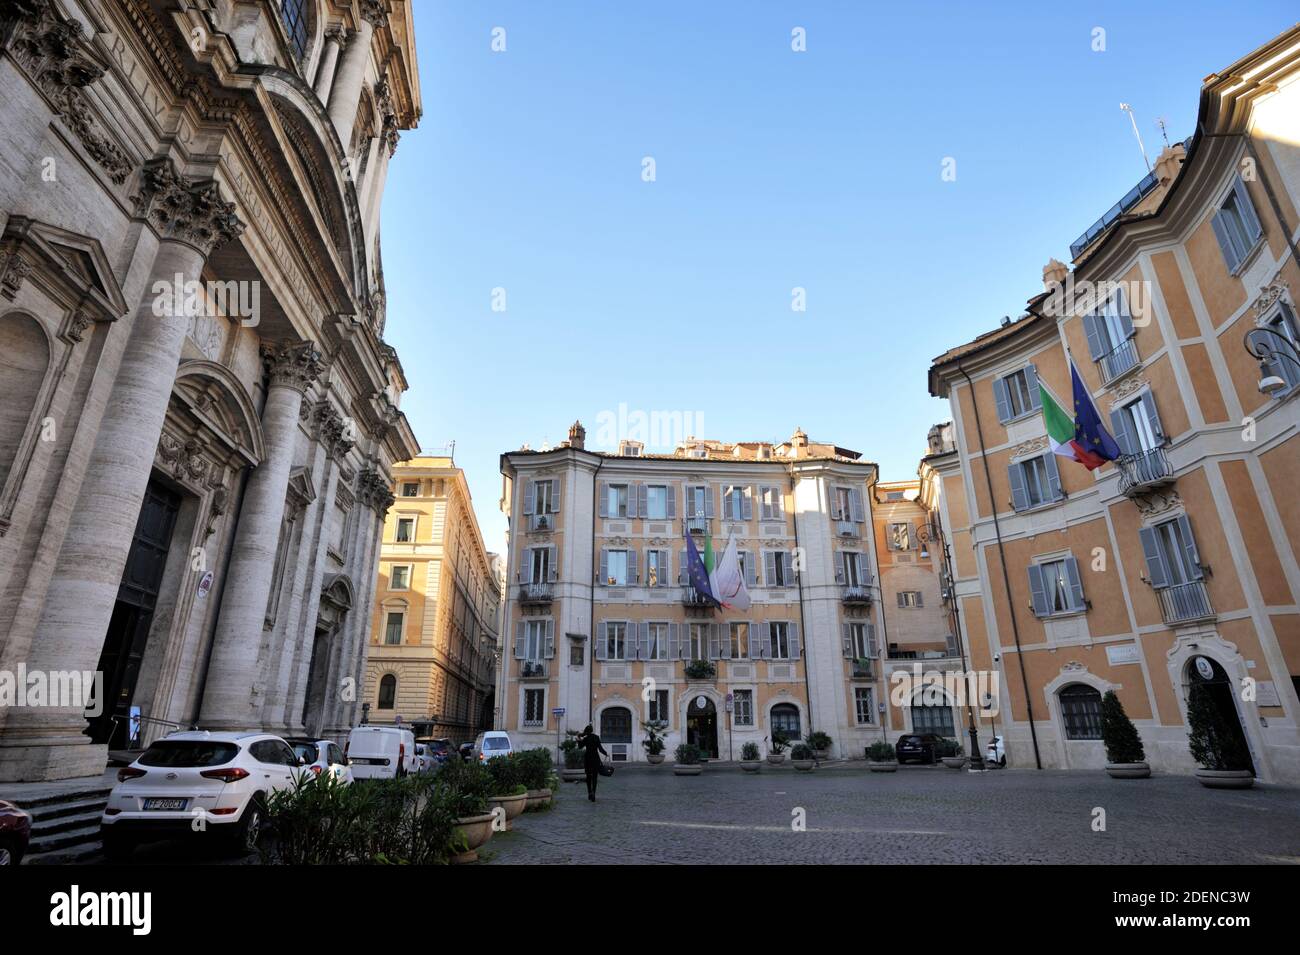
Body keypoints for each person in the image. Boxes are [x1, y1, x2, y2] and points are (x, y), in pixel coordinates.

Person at [576, 723, 608, 801]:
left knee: (588, 777)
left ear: (586, 731)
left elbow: (580, 747)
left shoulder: (586, 739)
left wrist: (579, 740)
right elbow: (600, 749)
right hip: (595, 758)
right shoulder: (596, 737)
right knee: (595, 777)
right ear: (592, 730)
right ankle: (594, 792)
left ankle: (589, 793)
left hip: (588, 759)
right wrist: (606, 753)